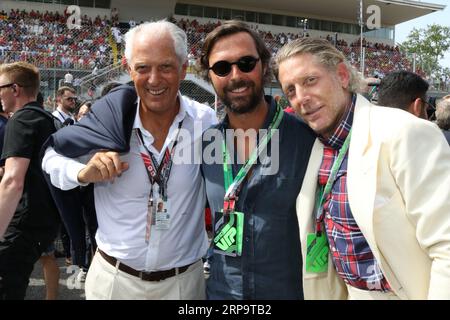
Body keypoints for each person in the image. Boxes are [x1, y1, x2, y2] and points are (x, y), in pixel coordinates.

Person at [42, 20, 217, 300]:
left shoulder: (204, 120)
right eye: (143, 68)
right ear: (128, 69)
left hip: (183, 284)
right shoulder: (107, 121)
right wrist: (82, 173)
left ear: (184, 69)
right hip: (114, 281)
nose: (154, 79)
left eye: (166, 67)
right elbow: (50, 157)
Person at [274, 38, 450, 300]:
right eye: (291, 90)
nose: (301, 98)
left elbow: (446, 246)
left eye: (310, 80)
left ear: (342, 76)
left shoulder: (405, 132)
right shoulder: (317, 146)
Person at [198, 20, 316, 299]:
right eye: (222, 68)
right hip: (221, 294)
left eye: (246, 63)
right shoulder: (204, 145)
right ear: (210, 76)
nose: (236, 75)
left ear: (264, 65)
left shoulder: (309, 140)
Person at [0, 62, 60, 299]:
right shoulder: (47, 119)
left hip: (23, 224)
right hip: (43, 223)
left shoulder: (22, 119)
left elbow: (13, 181)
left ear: (14, 89)